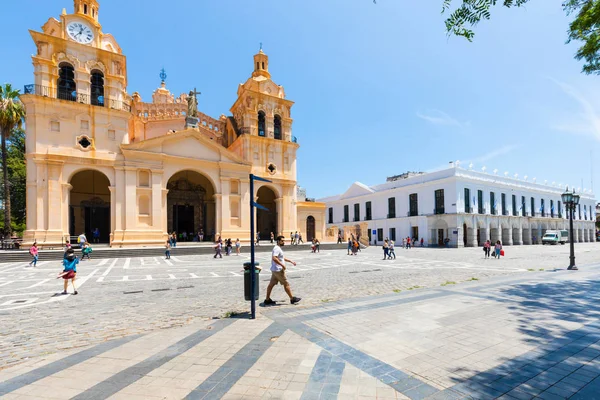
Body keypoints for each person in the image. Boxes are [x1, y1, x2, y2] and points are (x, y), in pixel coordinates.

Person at [264, 236, 301, 305]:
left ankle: (267, 299)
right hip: (278, 270)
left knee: (271, 285)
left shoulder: (278, 248)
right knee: (286, 283)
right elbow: (274, 258)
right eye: (282, 241)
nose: (284, 242)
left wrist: (290, 261)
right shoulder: (277, 248)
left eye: (284, 241)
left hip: (275, 270)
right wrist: (282, 265)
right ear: (278, 241)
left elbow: (281, 258)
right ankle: (292, 298)